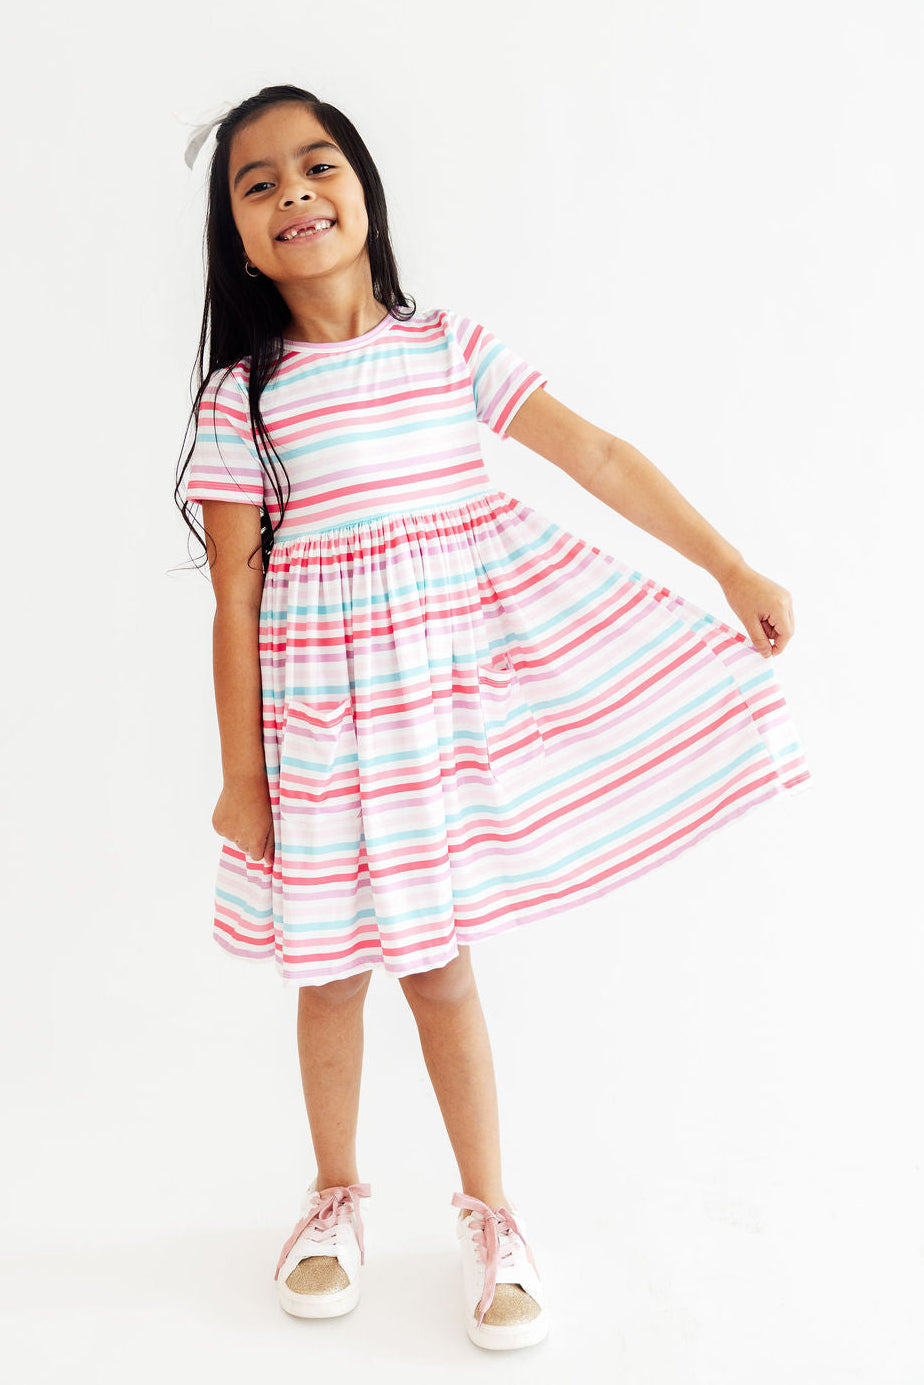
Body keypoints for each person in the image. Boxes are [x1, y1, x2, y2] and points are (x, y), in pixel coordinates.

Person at [175, 84, 812, 1351]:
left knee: (440, 969)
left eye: (318, 165)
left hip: (437, 721)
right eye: (259, 182)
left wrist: (728, 565)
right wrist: (242, 776)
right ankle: (334, 1194)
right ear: (237, 238)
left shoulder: (446, 350)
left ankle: (491, 1212)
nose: (294, 191)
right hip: (323, 733)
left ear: (364, 189)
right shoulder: (242, 401)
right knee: (330, 974)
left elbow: (597, 456)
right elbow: (234, 594)